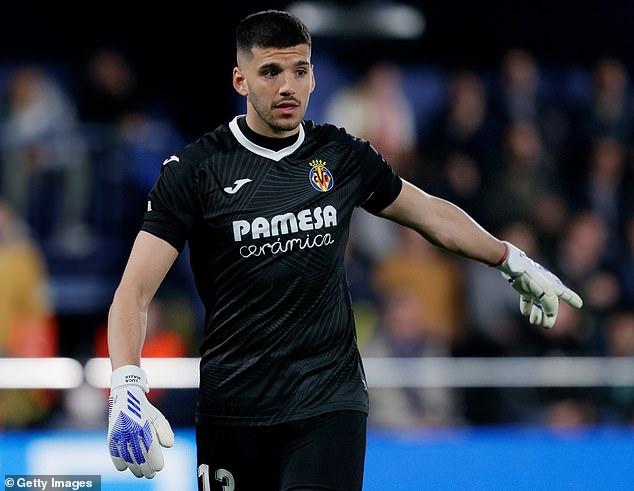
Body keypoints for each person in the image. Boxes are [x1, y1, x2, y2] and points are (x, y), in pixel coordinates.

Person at [106, 10, 583, 490]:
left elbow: (431, 214)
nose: (287, 85)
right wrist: (126, 384)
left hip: (327, 402)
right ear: (240, 79)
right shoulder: (195, 170)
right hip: (234, 409)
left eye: (300, 70)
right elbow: (133, 292)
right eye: (270, 72)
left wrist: (508, 258)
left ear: (314, 76)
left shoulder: (341, 155)